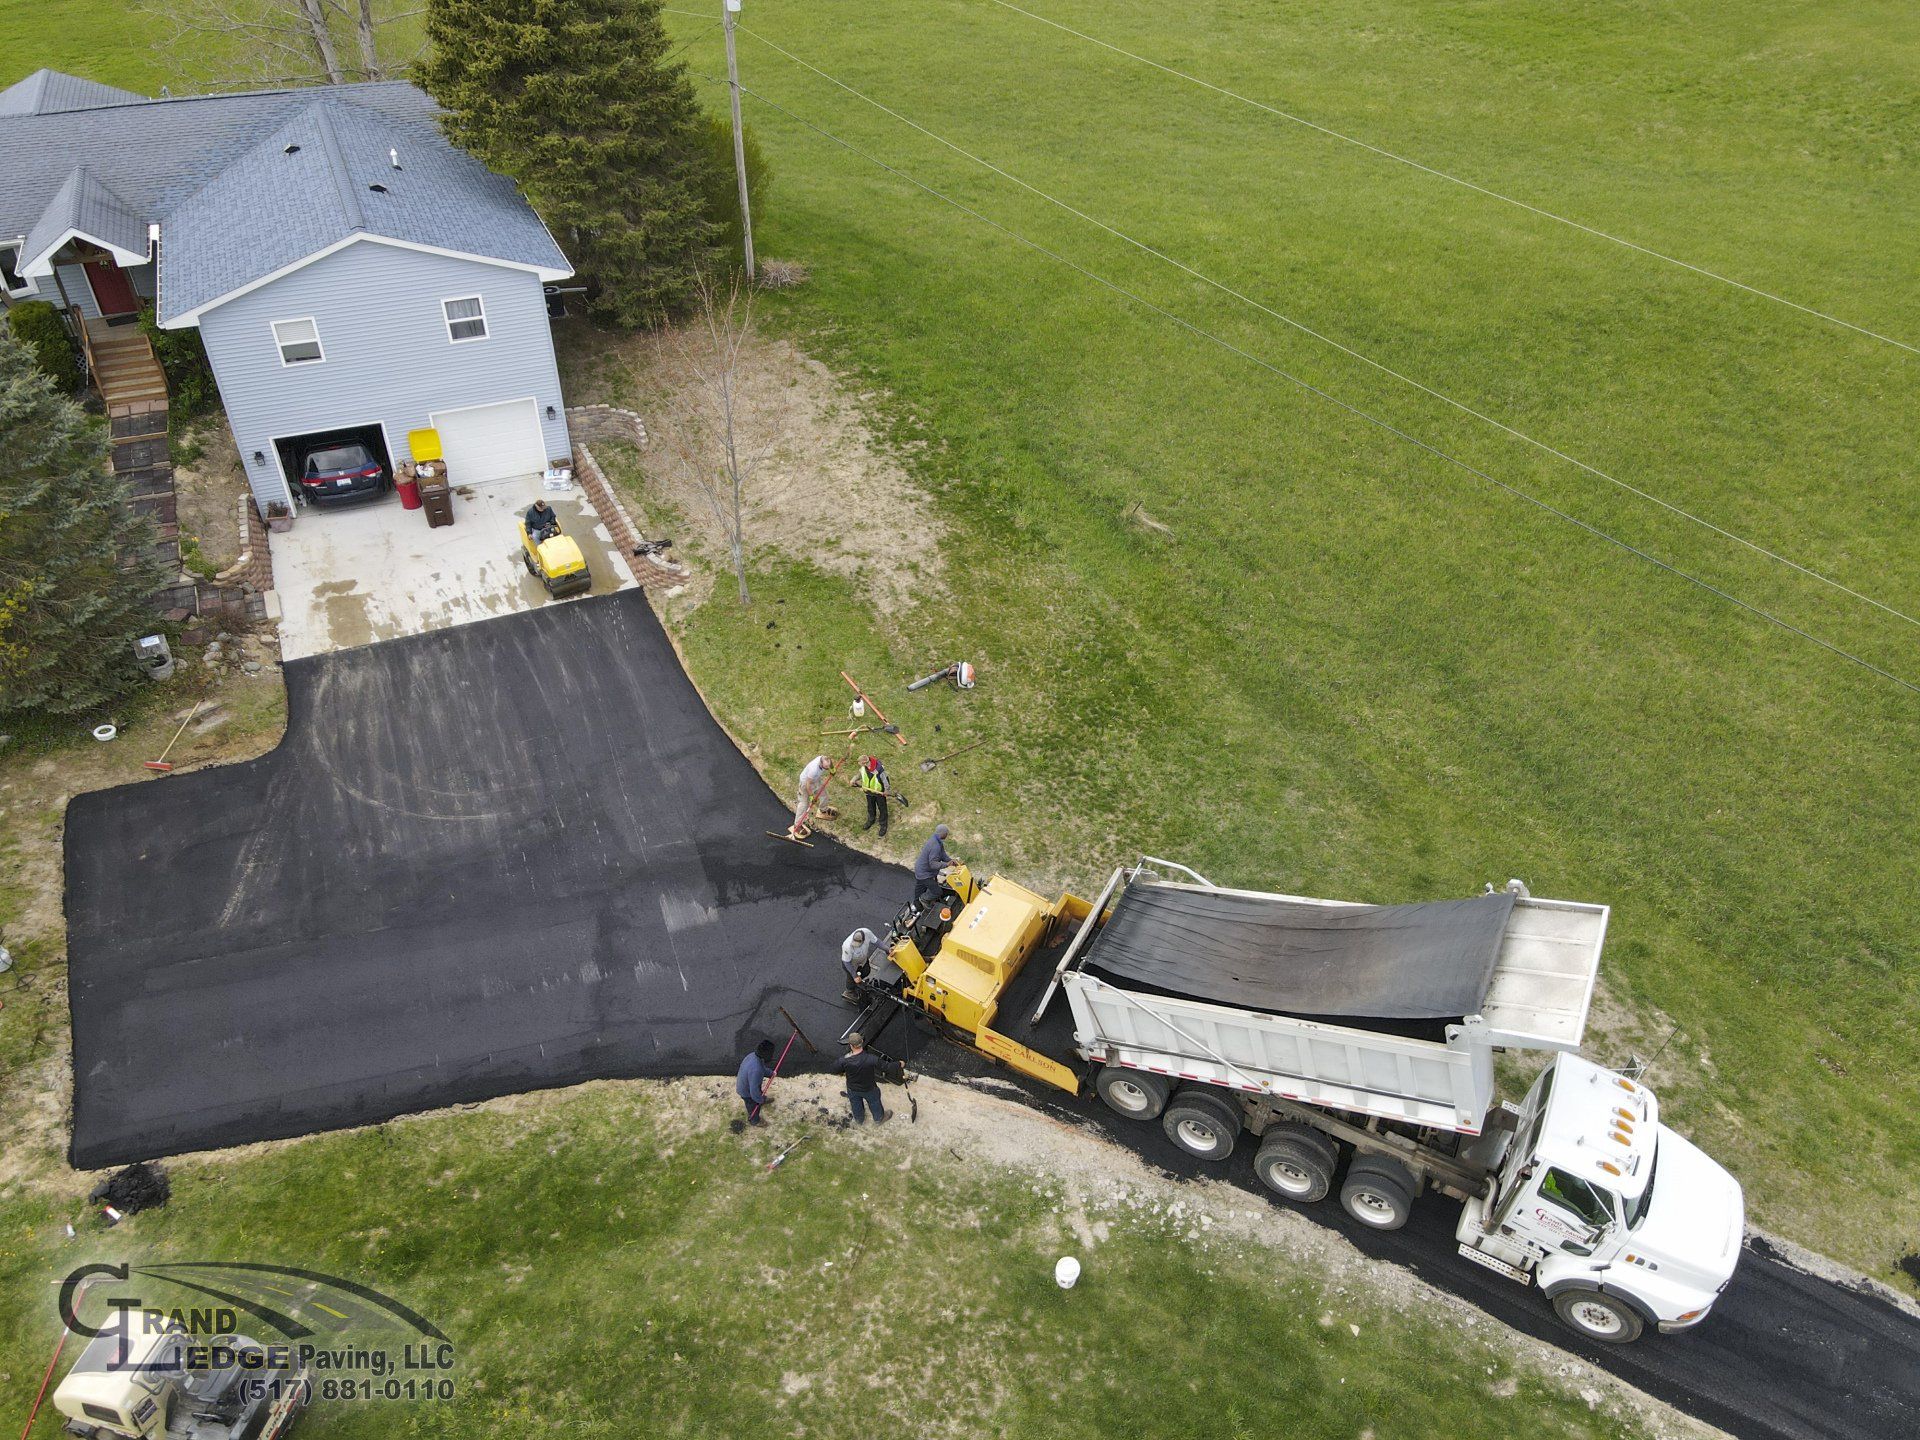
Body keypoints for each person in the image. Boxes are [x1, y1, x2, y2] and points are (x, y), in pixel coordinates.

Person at [831, 1031, 896, 1124]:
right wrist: (899, 1064)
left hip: (852, 1088)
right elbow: (887, 1067)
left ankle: (859, 1120)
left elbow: (834, 1069)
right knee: (874, 1102)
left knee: (855, 1104)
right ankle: (879, 1119)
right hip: (869, 1088)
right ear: (862, 1042)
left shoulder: (844, 1060)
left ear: (850, 1045)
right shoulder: (872, 1058)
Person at [789, 754, 837, 838]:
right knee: (804, 804)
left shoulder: (825, 759)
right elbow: (808, 785)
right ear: (821, 763)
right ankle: (797, 825)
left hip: (816, 779)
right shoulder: (813, 769)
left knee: (824, 794)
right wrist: (811, 797)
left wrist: (832, 769)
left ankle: (823, 810)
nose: (827, 768)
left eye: (828, 766)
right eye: (826, 767)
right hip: (805, 784)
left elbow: (830, 763)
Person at [735, 1039, 776, 1126]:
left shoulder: (754, 1056)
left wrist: (770, 1073)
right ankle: (755, 1120)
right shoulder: (756, 1070)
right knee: (753, 1106)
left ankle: (761, 1099)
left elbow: (762, 1068)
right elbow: (754, 1091)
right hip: (746, 1092)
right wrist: (759, 1100)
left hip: (747, 1084)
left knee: (758, 1096)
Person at [913, 824, 954, 903]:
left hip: (921, 870)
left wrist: (950, 861)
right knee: (937, 892)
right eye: (946, 833)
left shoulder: (937, 840)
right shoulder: (935, 846)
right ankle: (924, 899)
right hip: (925, 873)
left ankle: (917, 904)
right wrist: (946, 864)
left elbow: (942, 855)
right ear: (942, 834)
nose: (947, 835)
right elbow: (933, 864)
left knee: (920, 887)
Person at [841, 925, 882, 1001]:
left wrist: (887, 950)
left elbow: (877, 942)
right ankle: (849, 992)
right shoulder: (847, 946)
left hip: (862, 960)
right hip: (851, 964)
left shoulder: (867, 933)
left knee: (866, 971)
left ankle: (857, 984)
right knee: (851, 978)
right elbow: (847, 962)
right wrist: (855, 976)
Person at [857, 755, 891, 837]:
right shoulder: (863, 768)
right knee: (870, 807)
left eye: (861, 764)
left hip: (879, 793)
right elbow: (860, 774)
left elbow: (885, 780)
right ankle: (871, 819)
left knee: (882, 808)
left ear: (865, 763)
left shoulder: (879, 769)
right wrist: (854, 779)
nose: (861, 766)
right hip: (869, 792)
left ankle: (883, 824)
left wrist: (887, 790)